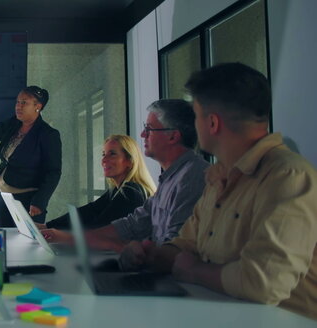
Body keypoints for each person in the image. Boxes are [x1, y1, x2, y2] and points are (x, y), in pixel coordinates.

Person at [125, 63, 317, 320]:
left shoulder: (288, 176)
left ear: (212, 122)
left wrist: (194, 271)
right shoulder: (218, 178)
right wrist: (147, 255)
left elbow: (264, 283)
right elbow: (186, 245)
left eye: (196, 115)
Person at [42, 99, 208, 252]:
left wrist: (69, 238)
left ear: (173, 136)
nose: (143, 135)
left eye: (149, 129)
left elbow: (174, 250)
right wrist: (60, 234)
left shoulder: (191, 178)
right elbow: (130, 225)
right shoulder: (170, 179)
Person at [0, 82, 62, 227]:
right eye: (18, 102)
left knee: (28, 245)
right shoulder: (13, 125)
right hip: (3, 195)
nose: (18, 106)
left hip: (28, 199)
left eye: (24, 103)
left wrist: (40, 202)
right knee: (7, 241)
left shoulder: (48, 134)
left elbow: (53, 172)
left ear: (37, 106)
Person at [39, 134, 156, 230]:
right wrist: (48, 226)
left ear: (130, 161)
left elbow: (99, 228)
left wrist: (55, 233)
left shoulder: (131, 192)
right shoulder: (117, 190)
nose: (104, 160)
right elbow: (89, 211)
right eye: (104, 154)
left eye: (112, 154)